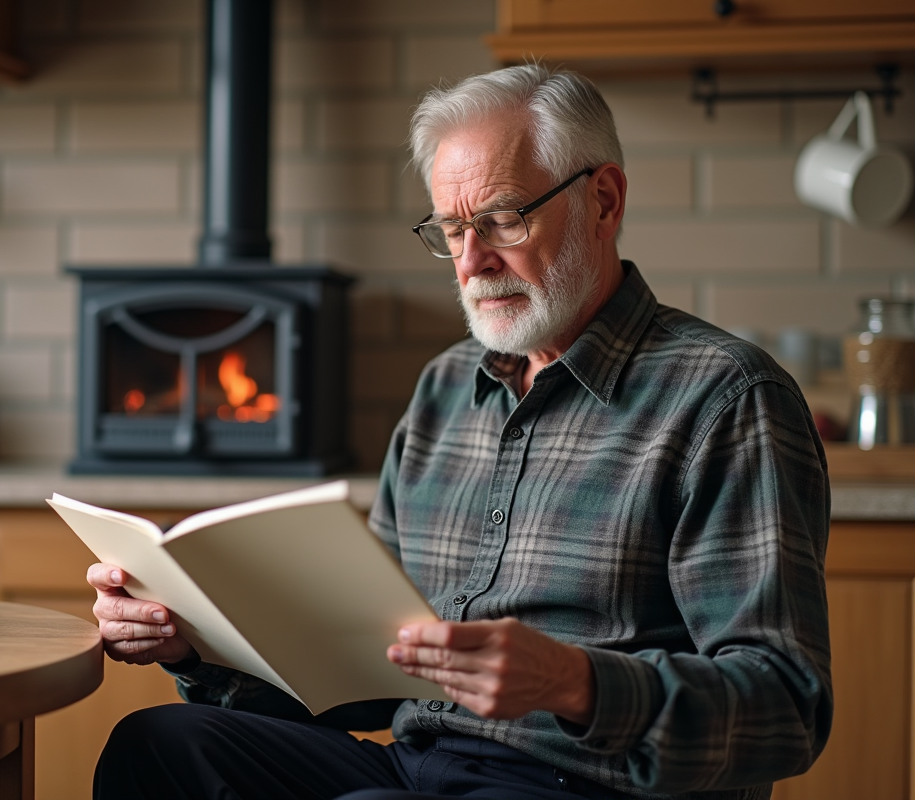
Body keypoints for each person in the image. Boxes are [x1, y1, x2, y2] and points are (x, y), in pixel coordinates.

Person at [87, 64, 832, 800]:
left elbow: (787, 709)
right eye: (451, 229)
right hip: (418, 764)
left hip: (591, 784)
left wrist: (577, 684)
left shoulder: (725, 397)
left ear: (603, 200)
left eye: (504, 219)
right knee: (159, 747)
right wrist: (197, 646)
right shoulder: (446, 387)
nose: (473, 261)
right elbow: (367, 678)